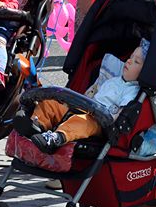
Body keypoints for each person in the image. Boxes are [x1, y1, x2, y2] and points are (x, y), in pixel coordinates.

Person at [13, 44, 146, 153]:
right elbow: (94, 93)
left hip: (99, 122)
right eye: (130, 57)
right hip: (87, 107)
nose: (129, 60)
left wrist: (113, 123)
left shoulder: (132, 91)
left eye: (136, 61)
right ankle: (37, 124)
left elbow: (121, 112)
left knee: (80, 122)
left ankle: (56, 138)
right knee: (51, 103)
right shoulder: (113, 80)